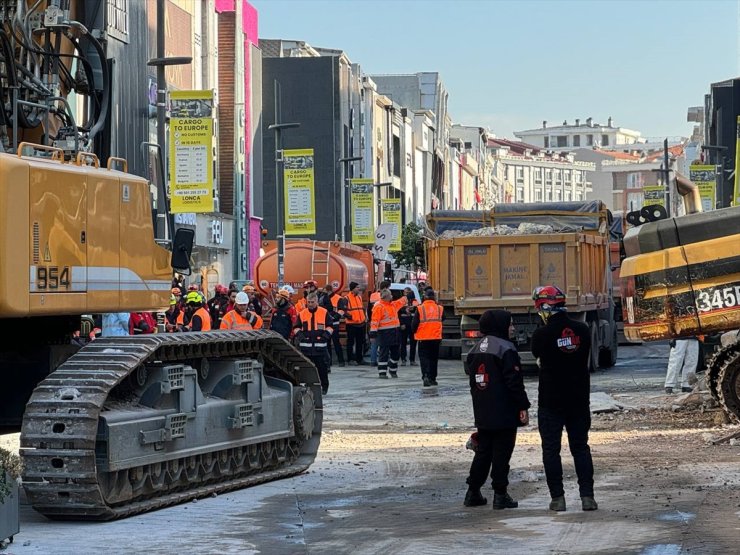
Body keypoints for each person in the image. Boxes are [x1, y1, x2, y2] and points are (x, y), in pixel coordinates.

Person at [531, 285, 597, 512]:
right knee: (580, 447)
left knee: (551, 450)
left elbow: (538, 354)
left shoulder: (541, 334)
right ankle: (588, 497)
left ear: (543, 308)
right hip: (578, 399)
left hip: (551, 401)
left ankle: (558, 498)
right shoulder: (583, 330)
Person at [464, 309, 530, 510]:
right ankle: (500, 495)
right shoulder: (506, 348)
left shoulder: (475, 349)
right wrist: (523, 406)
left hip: (482, 409)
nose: (512, 328)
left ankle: (473, 491)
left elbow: (472, 381)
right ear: (500, 326)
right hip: (504, 411)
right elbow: (514, 382)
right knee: (502, 453)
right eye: (509, 324)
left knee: (483, 452)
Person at [294, 292, 332, 394]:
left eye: (312, 302)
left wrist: (325, 336)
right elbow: (296, 327)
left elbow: (330, 326)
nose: (310, 304)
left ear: (317, 302)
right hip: (306, 349)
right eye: (308, 302)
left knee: (322, 369)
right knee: (306, 370)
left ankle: (324, 387)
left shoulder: (324, 312)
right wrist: (301, 337)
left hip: (320, 348)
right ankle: (307, 387)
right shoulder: (302, 313)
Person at [413, 288, 443, 386]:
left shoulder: (420, 308)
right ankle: (433, 378)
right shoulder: (439, 308)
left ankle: (425, 375)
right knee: (434, 358)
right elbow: (443, 318)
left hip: (423, 338)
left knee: (424, 358)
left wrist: (414, 332)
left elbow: (414, 323)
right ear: (434, 298)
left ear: (425, 297)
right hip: (436, 338)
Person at [369, 289, 402, 378]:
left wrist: (407, 296)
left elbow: (400, 302)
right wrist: (373, 333)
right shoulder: (379, 307)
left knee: (396, 353)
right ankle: (382, 373)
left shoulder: (392, 305)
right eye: (390, 295)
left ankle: (392, 369)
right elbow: (375, 321)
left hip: (395, 332)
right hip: (384, 333)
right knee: (384, 353)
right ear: (386, 297)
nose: (392, 296)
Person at [321, 284, 346, 367]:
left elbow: (342, 310)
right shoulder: (324, 298)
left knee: (336, 343)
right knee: (328, 343)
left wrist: (335, 317)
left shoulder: (338, 298)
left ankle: (341, 361)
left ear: (329, 291)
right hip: (327, 323)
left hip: (334, 323)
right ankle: (329, 362)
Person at [344, 282, 366, 365]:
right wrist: (350, 317)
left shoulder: (359, 297)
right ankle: (350, 359)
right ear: (352, 289)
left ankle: (359, 359)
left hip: (361, 323)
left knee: (360, 342)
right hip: (351, 324)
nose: (359, 289)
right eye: (357, 287)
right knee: (350, 342)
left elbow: (361, 309)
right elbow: (343, 310)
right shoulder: (346, 298)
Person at [398, 287, 418, 366]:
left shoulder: (415, 301)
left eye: (407, 292)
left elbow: (417, 312)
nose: (406, 294)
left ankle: (412, 360)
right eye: (405, 292)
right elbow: (398, 314)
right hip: (404, 324)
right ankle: (403, 359)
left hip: (412, 325)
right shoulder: (401, 301)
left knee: (413, 343)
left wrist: (413, 308)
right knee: (403, 343)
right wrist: (401, 324)